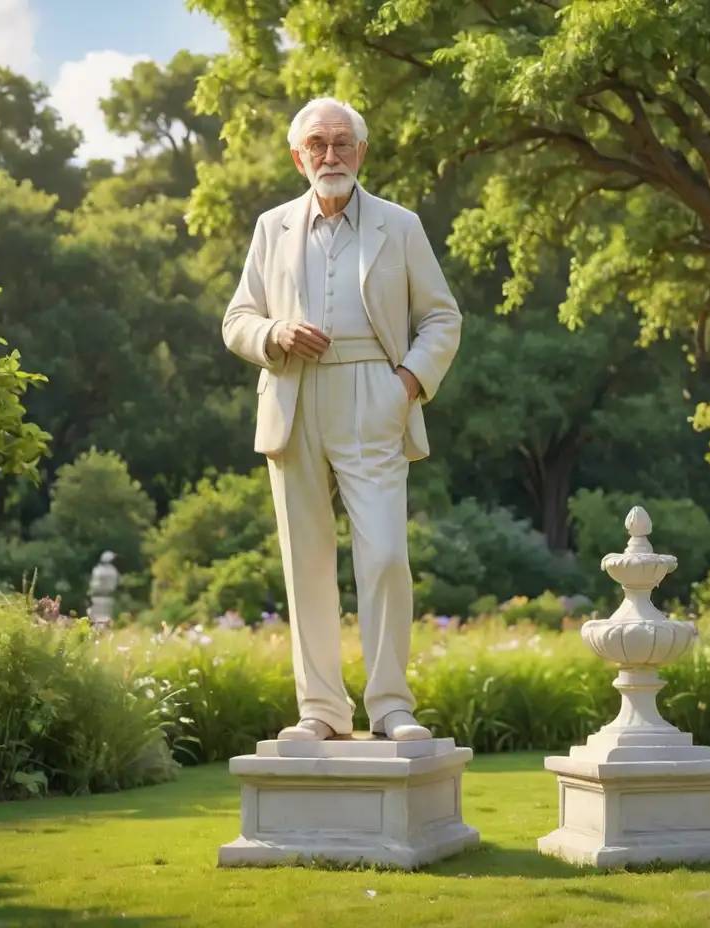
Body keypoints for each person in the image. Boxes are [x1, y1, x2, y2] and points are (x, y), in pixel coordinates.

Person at [222, 97, 461, 742]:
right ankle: (321, 712)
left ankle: (390, 705)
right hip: (292, 397)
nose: (331, 155)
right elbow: (236, 320)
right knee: (308, 560)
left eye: (343, 143)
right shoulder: (271, 227)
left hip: (374, 396)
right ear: (298, 156)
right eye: (318, 145)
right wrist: (274, 331)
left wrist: (406, 384)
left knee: (384, 554)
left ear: (362, 152)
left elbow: (442, 317)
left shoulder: (400, 225)